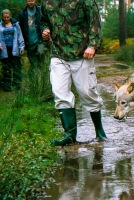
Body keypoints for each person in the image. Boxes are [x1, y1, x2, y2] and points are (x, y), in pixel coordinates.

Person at [40, 0, 107, 146]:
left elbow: (95, 22)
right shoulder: (47, 2)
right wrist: (45, 30)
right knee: (60, 93)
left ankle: (100, 132)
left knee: (88, 93)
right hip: (58, 54)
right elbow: (43, 20)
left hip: (82, 54)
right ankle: (70, 135)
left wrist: (92, 45)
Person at [18, 0, 47, 71]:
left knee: (41, 53)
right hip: (29, 42)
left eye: (32, 0)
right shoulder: (22, 13)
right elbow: (19, 28)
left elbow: (47, 20)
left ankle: (43, 73)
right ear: (26, 1)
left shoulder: (41, 10)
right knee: (33, 63)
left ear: (35, 0)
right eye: (28, 1)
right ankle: (34, 79)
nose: (30, 2)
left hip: (40, 39)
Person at [0, 9, 24, 91]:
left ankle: (17, 85)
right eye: (4, 17)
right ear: (2, 17)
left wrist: (22, 47)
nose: (6, 19)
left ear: (10, 16)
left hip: (15, 48)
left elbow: (20, 36)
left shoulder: (15, 24)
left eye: (7, 17)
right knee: (6, 67)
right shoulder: (0, 25)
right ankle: (7, 87)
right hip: (4, 49)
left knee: (17, 67)